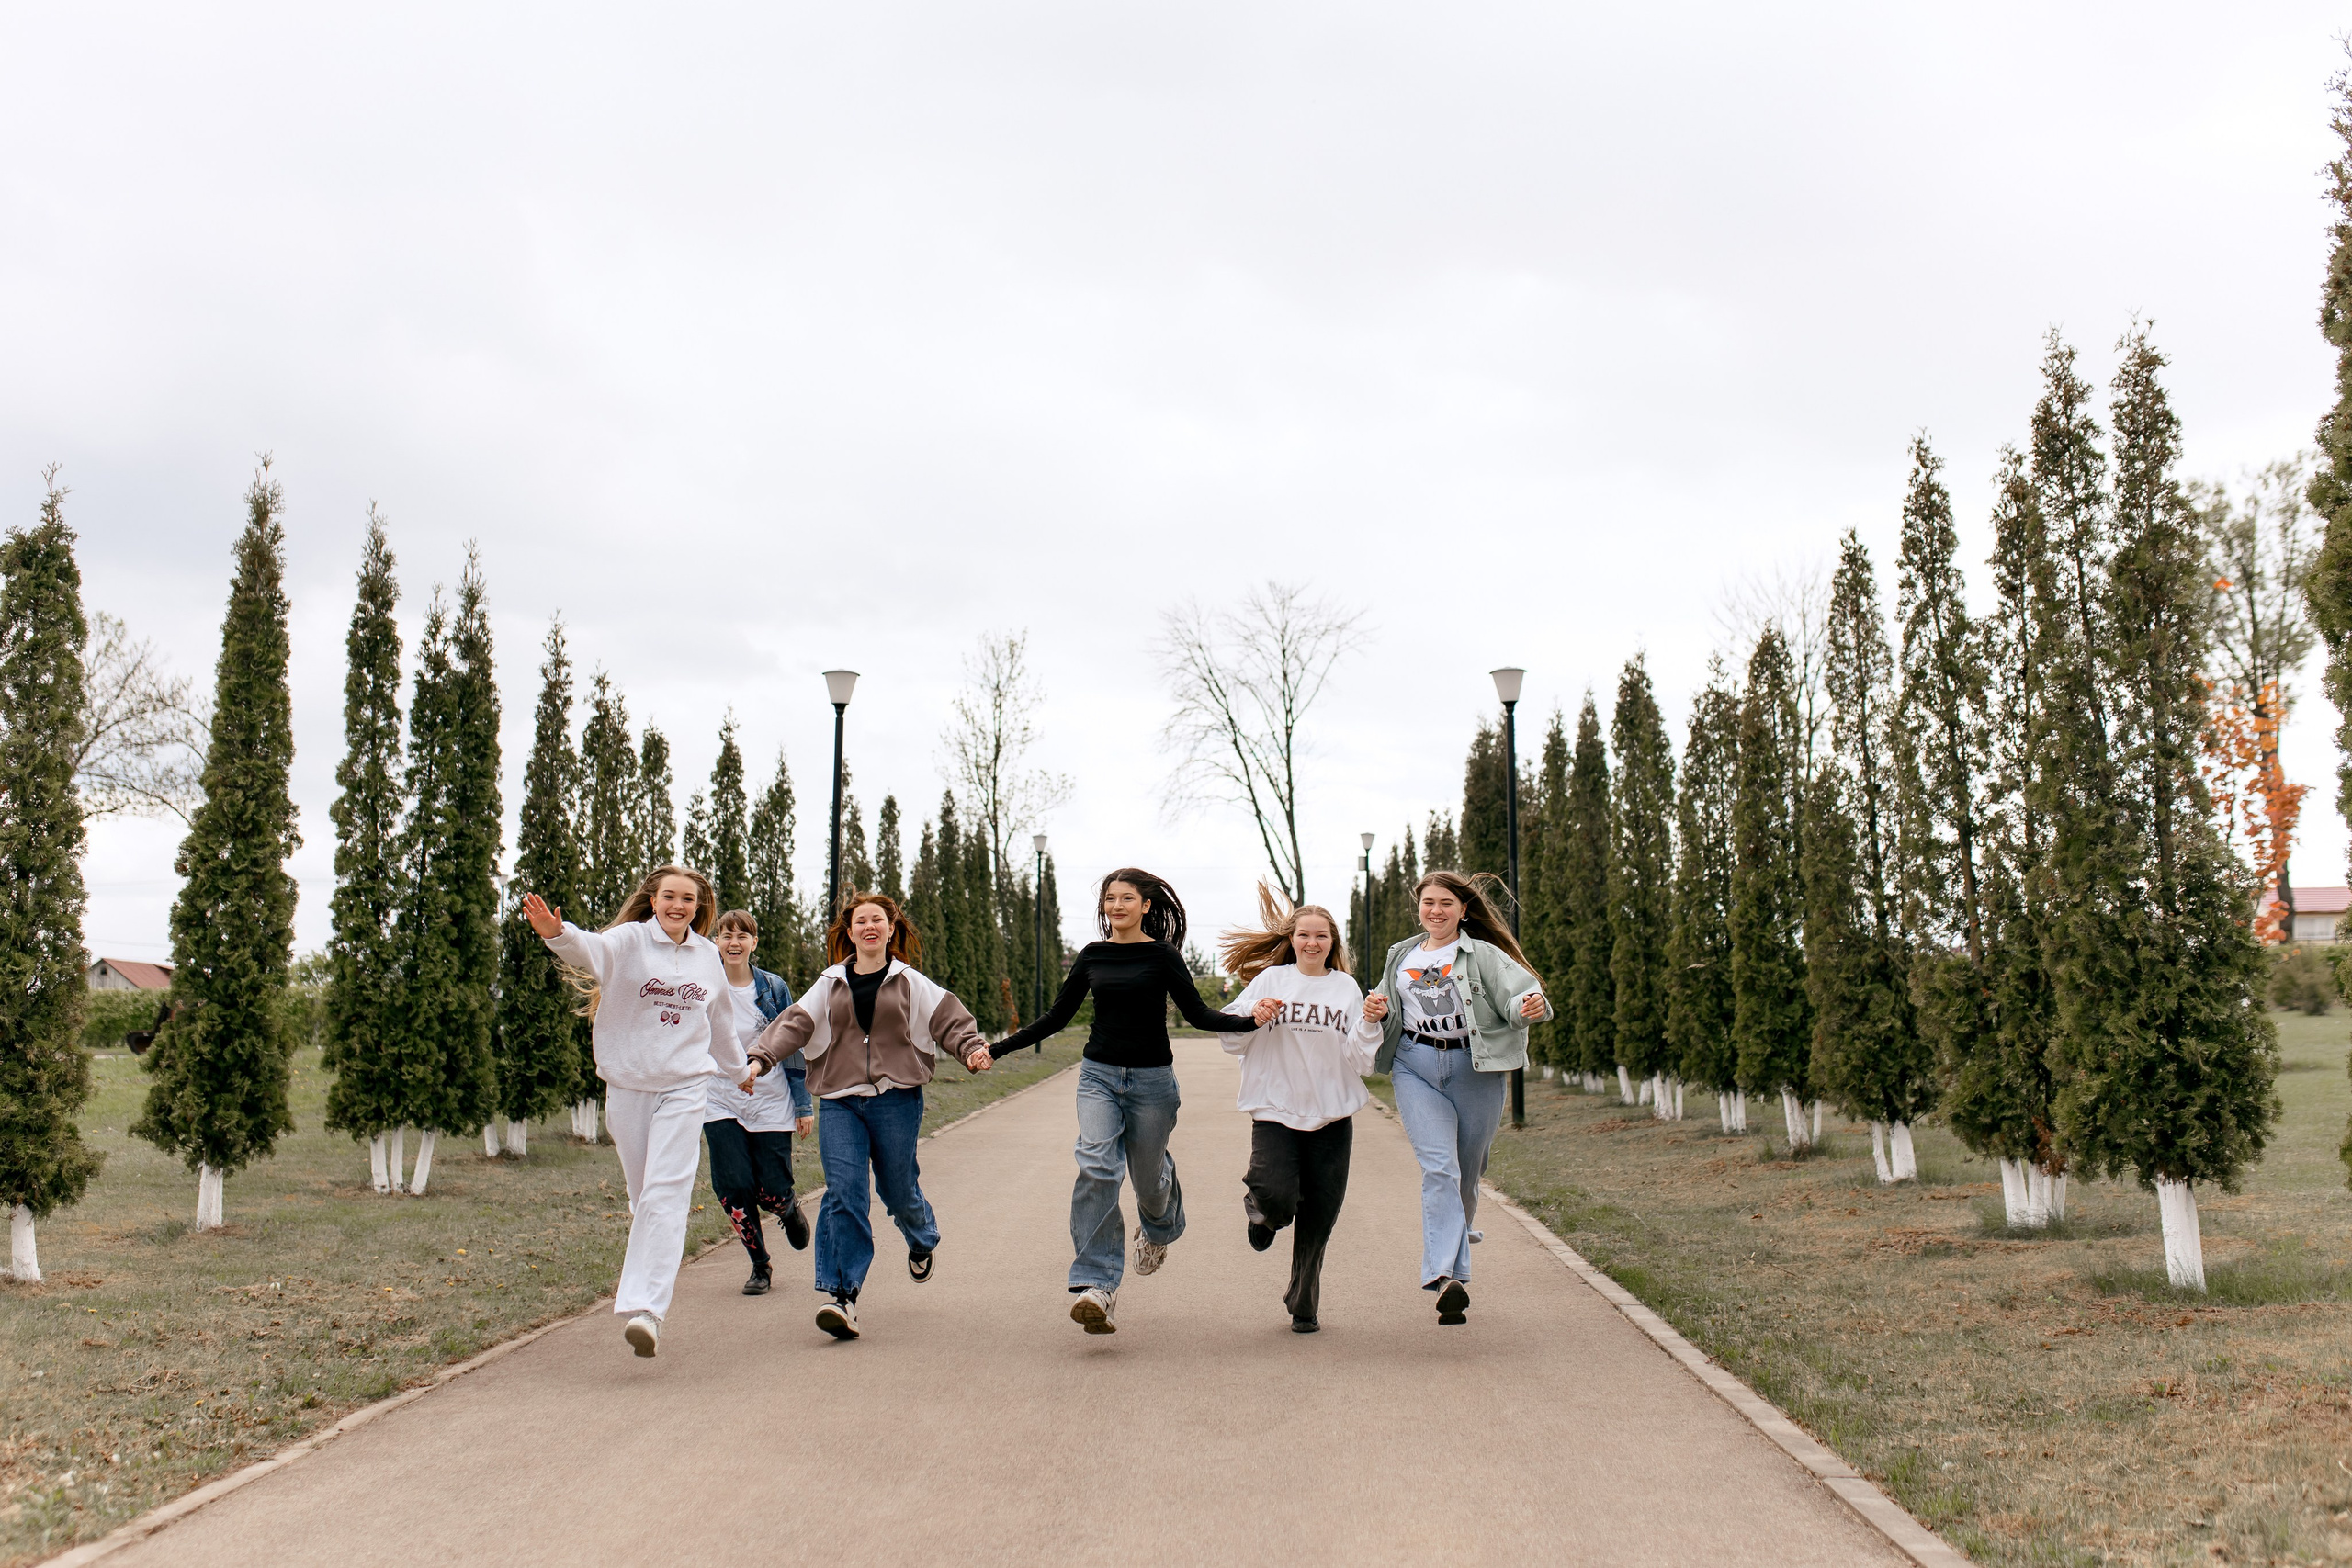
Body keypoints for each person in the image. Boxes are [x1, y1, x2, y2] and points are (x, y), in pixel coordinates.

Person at [989, 867, 1257, 1336]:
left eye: (1126, 898)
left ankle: (1157, 1229)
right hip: (1099, 1076)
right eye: (1110, 898)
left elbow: (1197, 1014)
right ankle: (1098, 1285)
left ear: (1146, 907)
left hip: (1153, 1082)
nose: (1116, 906)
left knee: (1149, 1180)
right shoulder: (1092, 955)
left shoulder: (1163, 955)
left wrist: (1249, 1021)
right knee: (1097, 1165)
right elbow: (1057, 1016)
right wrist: (995, 1049)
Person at [743, 892, 992, 1341]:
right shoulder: (830, 982)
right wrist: (760, 1058)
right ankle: (842, 1296)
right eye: (861, 921)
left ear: (890, 930)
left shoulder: (910, 981)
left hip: (896, 1100)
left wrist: (971, 1049)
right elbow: (795, 1023)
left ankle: (921, 1236)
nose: (870, 926)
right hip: (840, 1102)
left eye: (878, 920)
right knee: (844, 1193)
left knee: (897, 1190)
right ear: (850, 931)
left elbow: (948, 1019)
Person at [524, 865, 745, 1359]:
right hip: (627, 1088)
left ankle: (647, 1311)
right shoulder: (628, 941)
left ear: (698, 906)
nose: (678, 906)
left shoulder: (707, 956)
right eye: (670, 896)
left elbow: (721, 1022)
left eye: (688, 899)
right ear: (654, 899)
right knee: (643, 1194)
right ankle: (648, 1282)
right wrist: (558, 934)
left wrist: (738, 1071)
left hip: (686, 1086)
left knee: (667, 1194)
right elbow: (591, 950)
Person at [1364, 870, 1550, 1326]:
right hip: (1415, 1066)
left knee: (1468, 1171)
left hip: (1475, 1069)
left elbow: (1520, 995)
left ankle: (1456, 1235)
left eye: (1446, 902)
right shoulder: (1401, 955)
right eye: (1429, 902)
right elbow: (1386, 1004)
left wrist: (1529, 1007)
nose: (1436, 910)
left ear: (1463, 910)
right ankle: (1447, 1276)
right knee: (1439, 1168)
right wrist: (1376, 1009)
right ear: (1420, 907)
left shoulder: (1483, 954)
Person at [1218, 886, 1380, 1334]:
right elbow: (1231, 1037)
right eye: (1305, 934)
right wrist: (1254, 1013)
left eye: (1322, 935)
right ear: (1292, 939)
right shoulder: (1271, 980)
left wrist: (1368, 1022)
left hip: (1332, 1116)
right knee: (1276, 1196)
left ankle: (1303, 1303)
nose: (1313, 942)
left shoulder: (1345, 987)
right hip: (1276, 1110)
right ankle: (1265, 1214)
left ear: (1333, 942)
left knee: (1320, 1214)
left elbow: (1362, 1060)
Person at [705, 909, 814, 1296]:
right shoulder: (702, 984)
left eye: (742, 936)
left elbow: (793, 1044)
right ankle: (759, 1265)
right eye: (725, 935)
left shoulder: (773, 987)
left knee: (770, 1187)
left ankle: (785, 1205)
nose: (733, 942)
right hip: (719, 1099)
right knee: (733, 1186)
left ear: (754, 943)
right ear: (715, 941)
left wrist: (803, 1105)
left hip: (770, 1101)